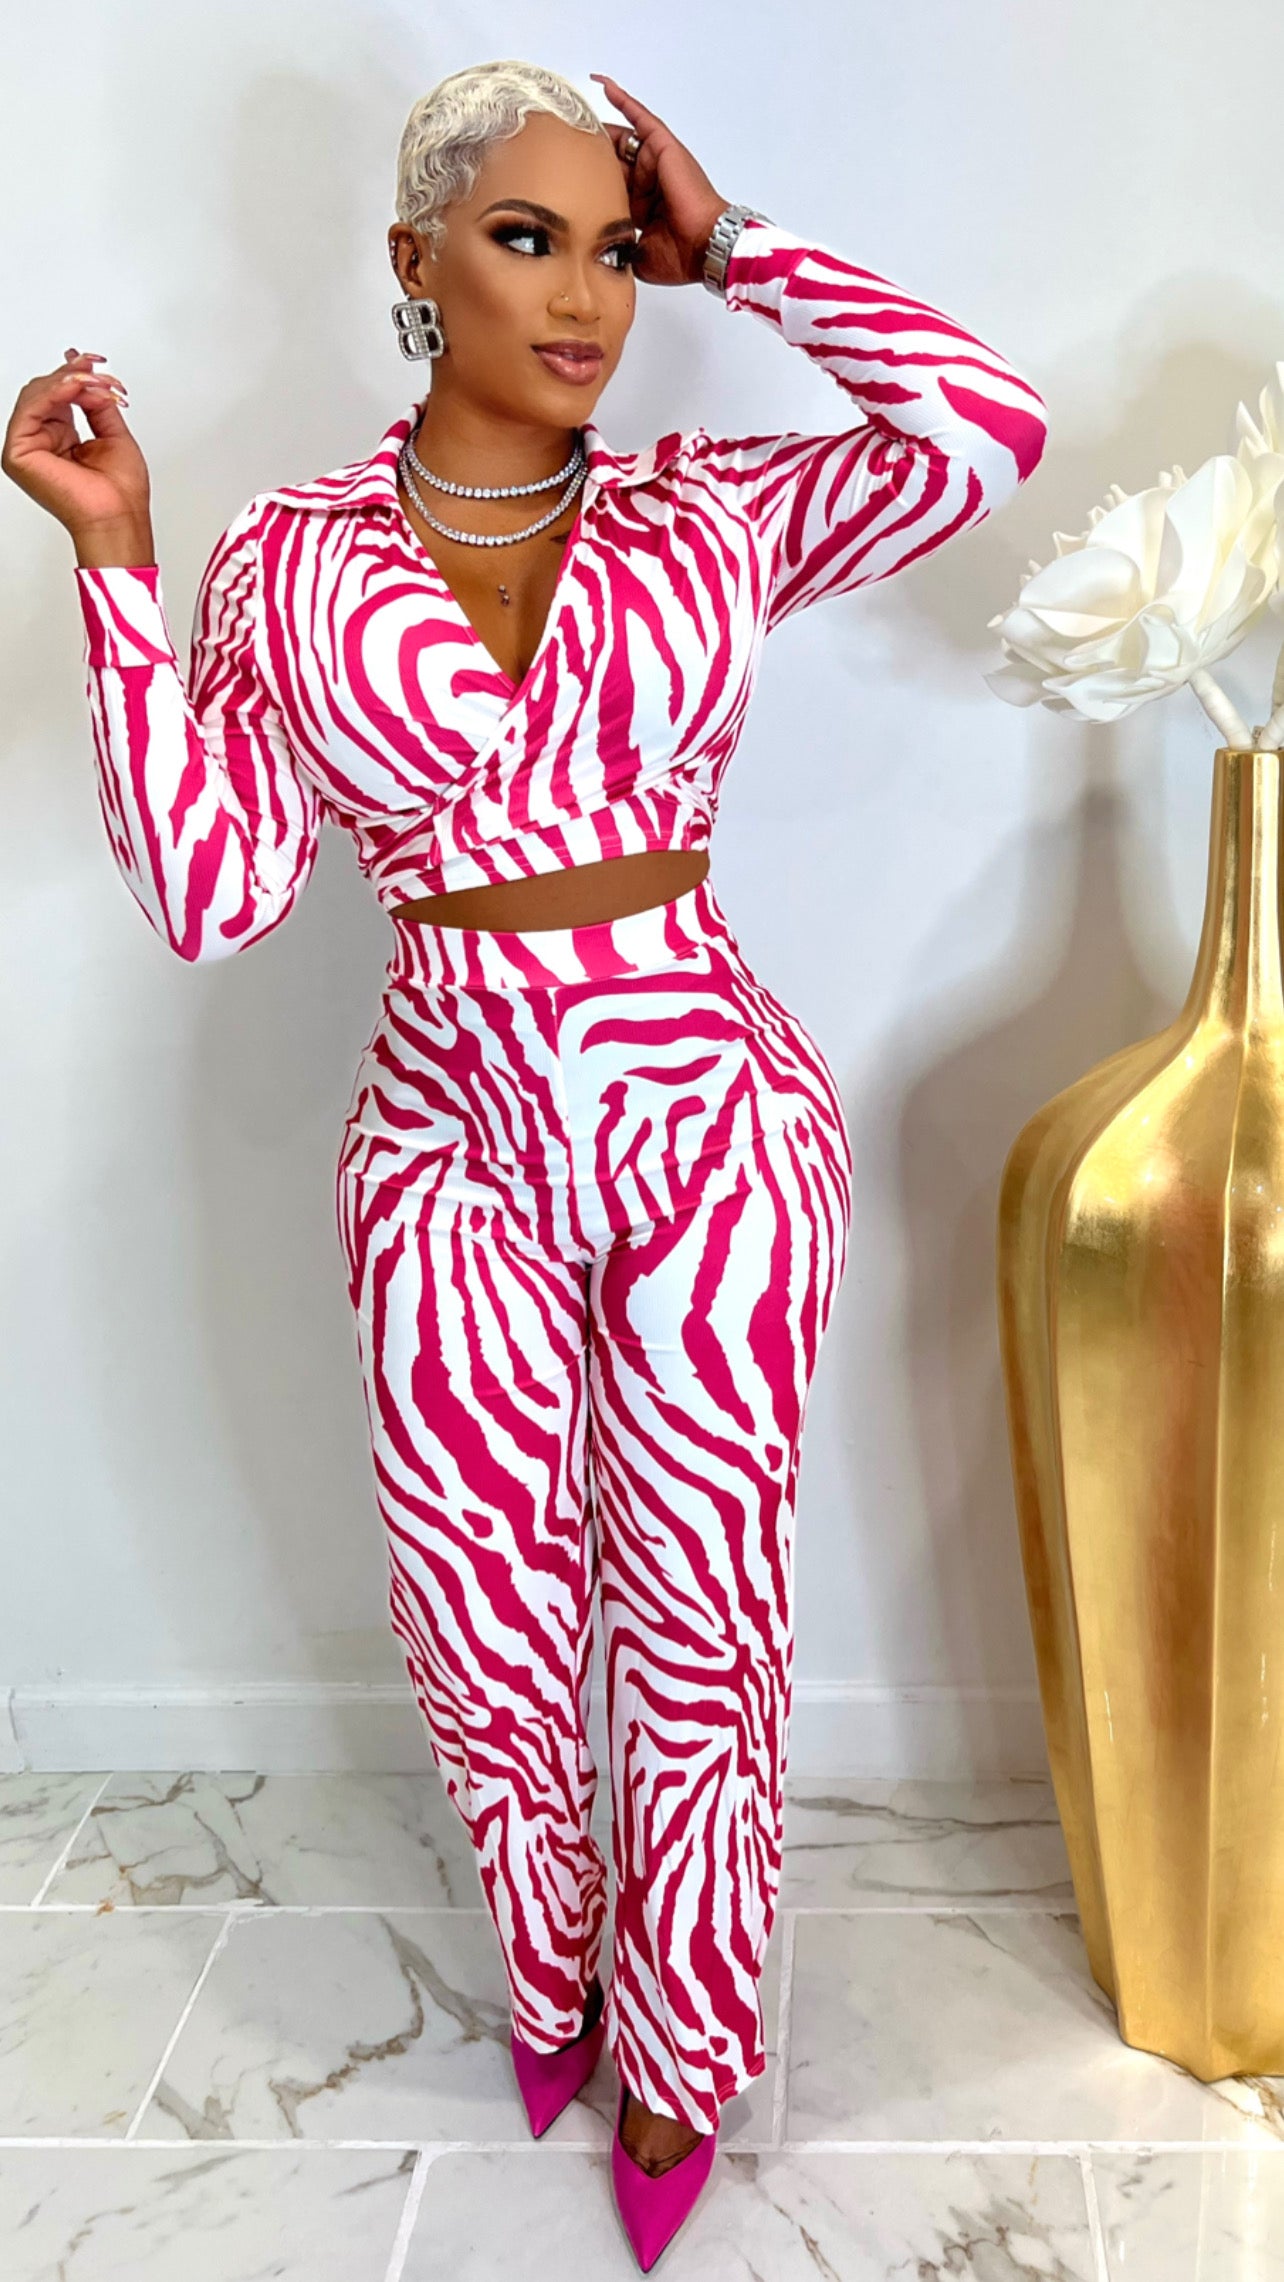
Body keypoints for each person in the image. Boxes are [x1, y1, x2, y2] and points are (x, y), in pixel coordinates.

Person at [3, 58, 1047, 2270]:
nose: (584, 296)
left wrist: (740, 246)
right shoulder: (291, 559)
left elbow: (988, 428)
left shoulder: (709, 512)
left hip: (706, 1123)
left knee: (705, 1613)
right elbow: (208, 892)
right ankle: (551, 1965)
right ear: (415, 262)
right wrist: (115, 566)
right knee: (483, 1623)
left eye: (610, 249)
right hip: (446, 1147)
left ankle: (687, 2040)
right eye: (523, 239)